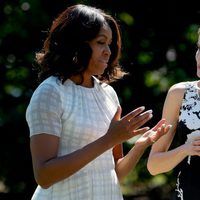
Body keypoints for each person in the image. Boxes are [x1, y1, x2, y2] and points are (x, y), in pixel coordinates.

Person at [26, 4, 171, 200]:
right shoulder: (50, 92)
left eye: (110, 44)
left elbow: (115, 172)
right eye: (101, 42)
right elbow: (44, 175)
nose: (108, 51)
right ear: (76, 43)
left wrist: (140, 146)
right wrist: (110, 139)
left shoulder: (108, 93)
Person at [147, 28, 200, 200]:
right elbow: (154, 165)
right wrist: (186, 149)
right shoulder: (179, 93)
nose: (199, 57)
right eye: (199, 48)